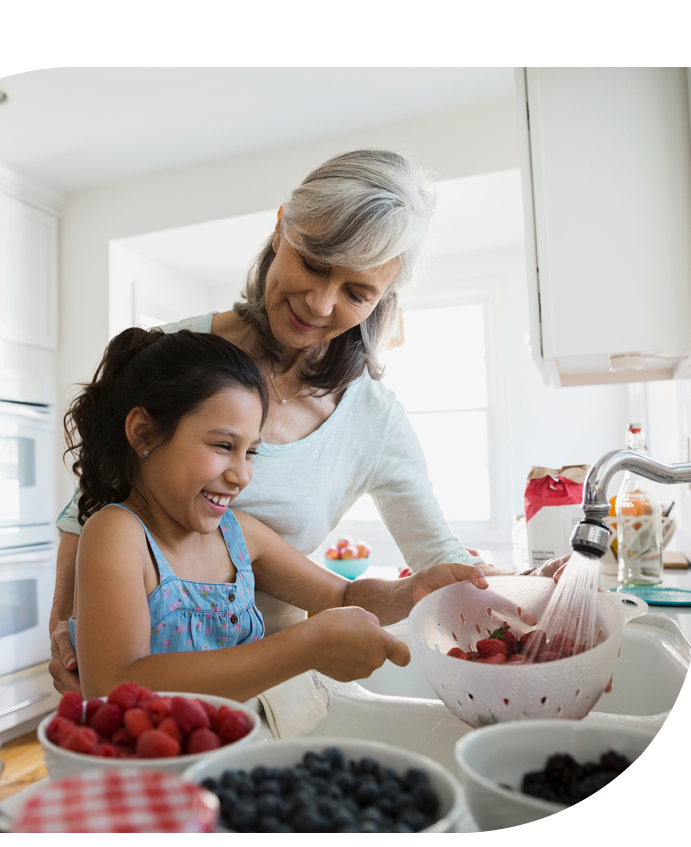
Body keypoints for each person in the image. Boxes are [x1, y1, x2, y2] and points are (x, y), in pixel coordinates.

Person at [50, 148, 563, 696]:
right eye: (314, 264)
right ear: (281, 230)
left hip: (267, 688)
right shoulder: (178, 360)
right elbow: (93, 503)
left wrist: (511, 590)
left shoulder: (366, 425)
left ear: (382, 298)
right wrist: (64, 625)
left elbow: (425, 562)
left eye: (357, 292)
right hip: (146, 690)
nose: (319, 305)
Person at [64, 326, 488, 701]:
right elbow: (114, 684)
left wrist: (413, 592)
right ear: (143, 433)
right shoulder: (118, 534)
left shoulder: (237, 537)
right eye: (222, 446)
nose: (243, 475)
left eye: (251, 452)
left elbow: (341, 597)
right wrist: (303, 647)